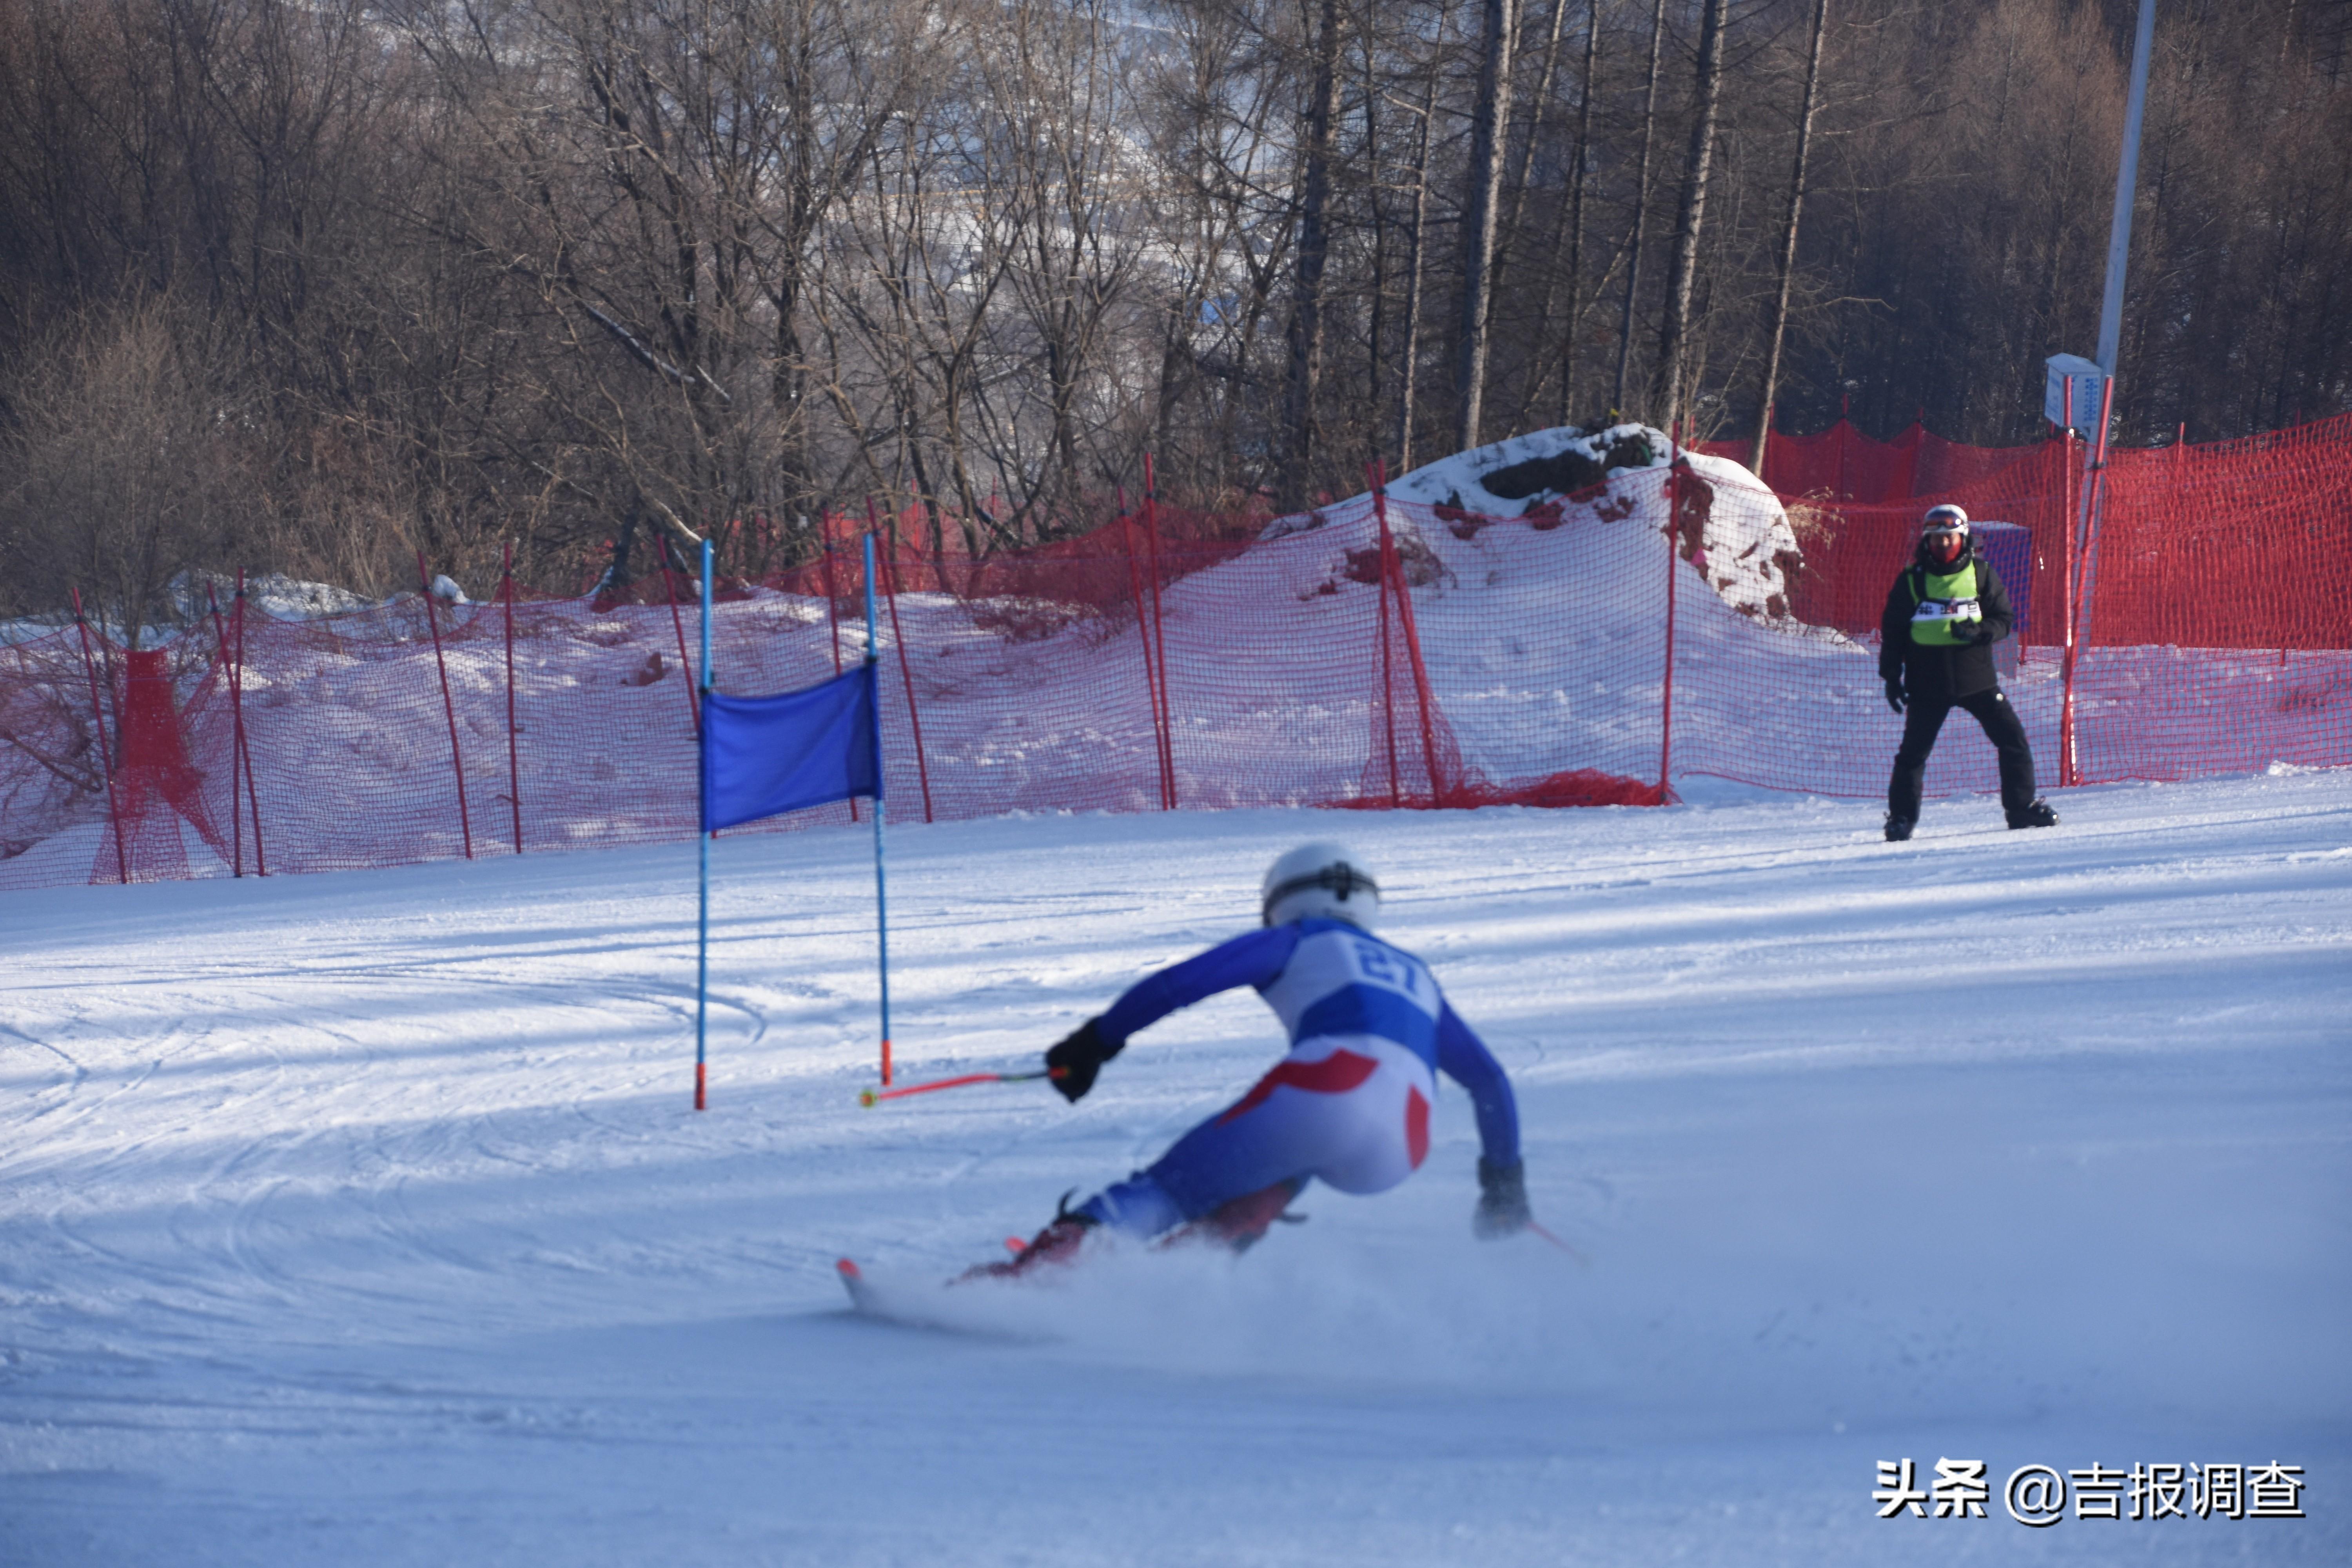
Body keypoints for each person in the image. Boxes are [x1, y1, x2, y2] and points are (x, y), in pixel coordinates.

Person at [973, 842, 1530, 1277]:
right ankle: (1191, 1268)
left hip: (1331, 1086)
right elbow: (1489, 1081)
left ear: (1281, 900)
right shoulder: (1417, 975)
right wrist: (1505, 1185)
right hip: (1404, 1140)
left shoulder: (1303, 936)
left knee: (1169, 1188)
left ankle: (1041, 1277)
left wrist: (1095, 1043)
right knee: (1296, 1155)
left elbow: (1182, 983)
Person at [1878, 504, 2058, 842]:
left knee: (2013, 742)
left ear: (1964, 539)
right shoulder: (1913, 580)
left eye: (1950, 538)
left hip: (1978, 681)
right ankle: (1901, 819)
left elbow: (2004, 619)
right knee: (1912, 755)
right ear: (1927, 542)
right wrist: (1891, 676)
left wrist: (1980, 632)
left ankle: (2020, 809)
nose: (1944, 545)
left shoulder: (1981, 574)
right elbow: (1894, 630)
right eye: (1937, 540)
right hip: (1927, 684)